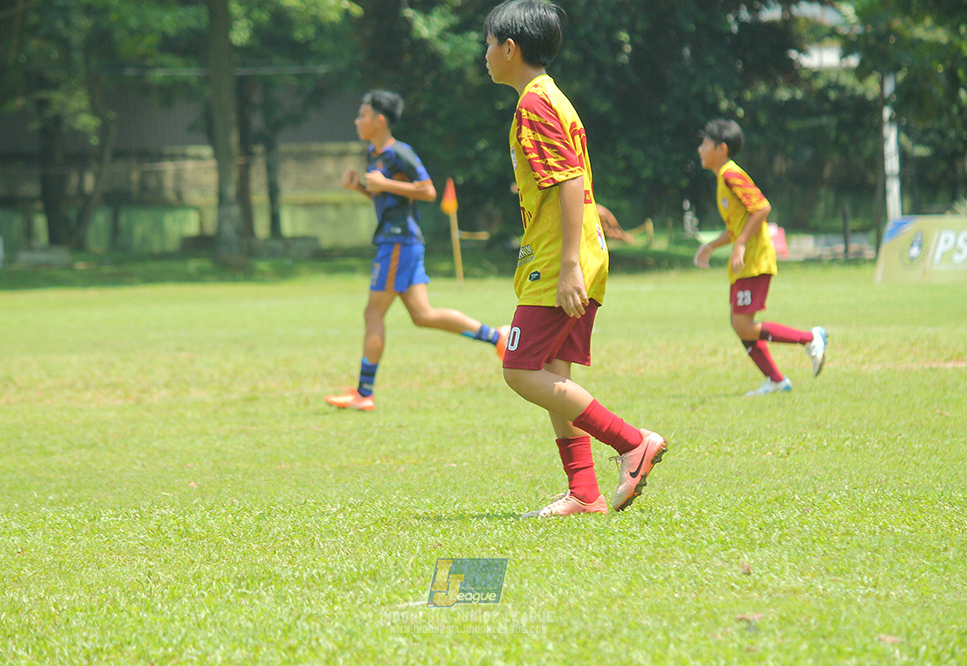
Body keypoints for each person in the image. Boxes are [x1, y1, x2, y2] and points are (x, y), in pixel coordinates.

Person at [484, 0, 667, 518]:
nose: (486, 54)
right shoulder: (552, 96)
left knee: (520, 370)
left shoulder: (534, 103)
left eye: (488, 44)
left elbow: (568, 182)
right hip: (581, 252)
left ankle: (632, 442)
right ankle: (584, 492)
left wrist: (567, 265)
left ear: (510, 48)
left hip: (560, 259)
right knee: (552, 371)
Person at [324, 90, 507, 412]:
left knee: (373, 314)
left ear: (380, 120)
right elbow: (386, 198)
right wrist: (361, 188)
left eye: (362, 115)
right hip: (397, 241)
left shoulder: (400, 153)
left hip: (399, 241)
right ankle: (497, 337)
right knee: (423, 316)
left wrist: (385, 184)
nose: (357, 121)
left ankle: (364, 393)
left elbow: (428, 191)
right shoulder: (373, 155)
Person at [694, 118, 827, 396]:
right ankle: (776, 380)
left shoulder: (731, 175)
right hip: (746, 261)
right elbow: (737, 226)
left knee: (743, 325)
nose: (700, 149)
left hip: (754, 260)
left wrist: (741, 245)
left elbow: (762, 208)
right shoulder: (723, 178)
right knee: (740, 325)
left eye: (705, 144)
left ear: (721, 148)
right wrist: (712, 246)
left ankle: (810, 338)